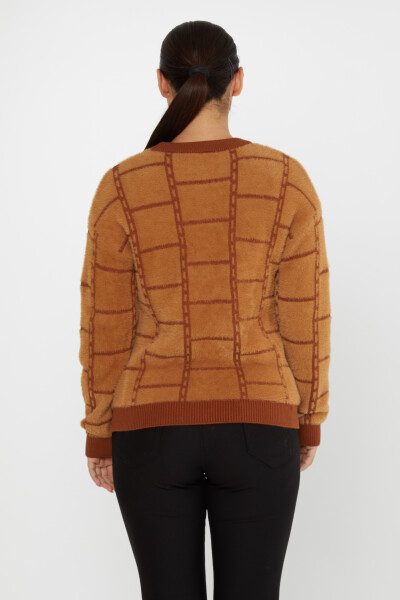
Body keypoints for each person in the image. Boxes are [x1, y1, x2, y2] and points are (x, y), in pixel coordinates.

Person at [79, 19, 332, 600]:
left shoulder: (121, 187)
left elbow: (105, 324)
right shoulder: (286, 181)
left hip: (150, 429)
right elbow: (306, 314)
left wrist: (99, 431)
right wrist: (308, 416)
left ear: (162, 83)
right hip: (260, 424)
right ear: (236, 81)